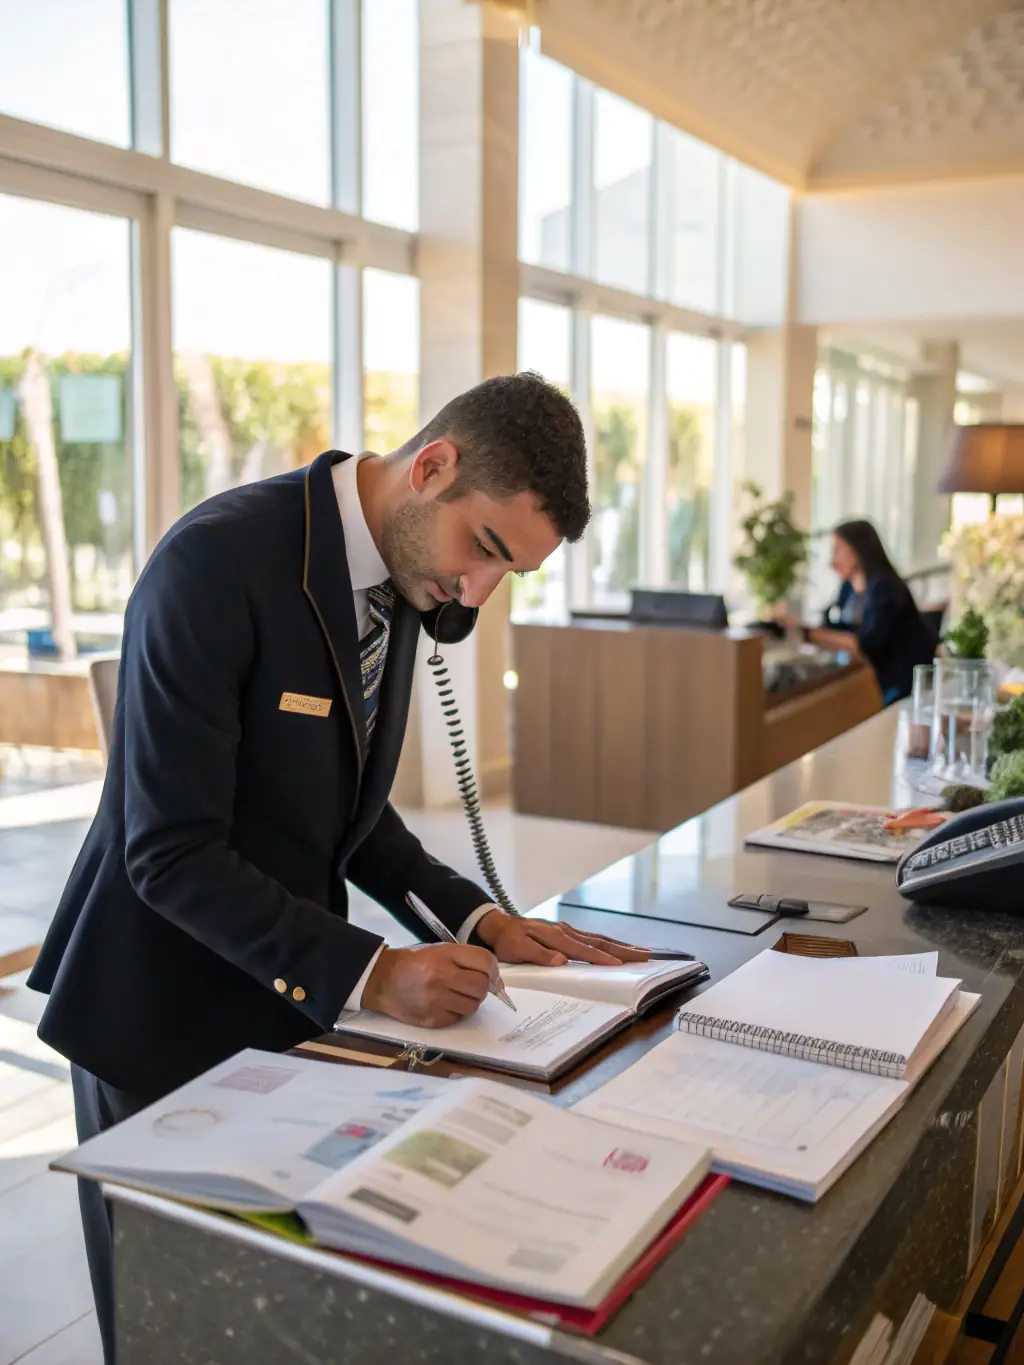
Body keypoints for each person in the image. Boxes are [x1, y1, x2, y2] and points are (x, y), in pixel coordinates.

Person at [28, 372, 649, 1364]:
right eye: (485, 548)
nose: (475, 594)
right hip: (156, 1004)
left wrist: (477, 919)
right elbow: (171, 851)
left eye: (508, 573)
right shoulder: (216, 562)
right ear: (432, 467)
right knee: (172, 1330)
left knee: (267, 1322)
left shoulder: (402, 571)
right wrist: (374, 970)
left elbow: (345, 807)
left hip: (275, 995)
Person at [801, 519, 935, 705]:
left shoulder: (884, 588)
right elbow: (845, 627)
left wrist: (809, 634)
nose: (832, 560)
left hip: (903, 685)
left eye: (837, 550)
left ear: (857, 549)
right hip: (877, 681)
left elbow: (866, 644)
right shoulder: (848, 588)